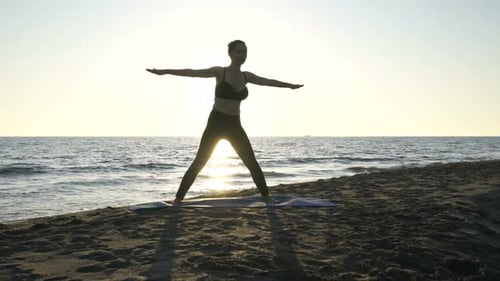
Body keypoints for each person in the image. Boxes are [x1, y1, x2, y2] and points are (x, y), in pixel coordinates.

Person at [146, 40, 303, 204]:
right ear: (231, 54)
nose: (242, 55)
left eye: (245, 52)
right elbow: (192, 72)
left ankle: (266, 197)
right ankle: (178, 199)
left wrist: (290, 86)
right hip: (216, 123)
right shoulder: (220, 72)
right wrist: (165, 71)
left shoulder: (246, 76)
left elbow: (269, 81)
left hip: (235, 124)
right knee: (200, 161)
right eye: (239, 52)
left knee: (251, 162)